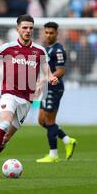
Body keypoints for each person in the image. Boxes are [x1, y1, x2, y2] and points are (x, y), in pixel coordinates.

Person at [0, 14, 58, 178]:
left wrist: (49, 79)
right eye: (24, 28)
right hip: (9, 93)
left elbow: (48, 72)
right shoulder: (8, 47)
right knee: (3, 124)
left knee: (6, 138)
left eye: (30, 28)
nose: (28, 31)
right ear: (18, 29)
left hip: (27, 99)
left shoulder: (39, 51)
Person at [36, 22, 77, 163]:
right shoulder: (45, 48)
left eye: (51, 33)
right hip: (47, 87)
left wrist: (46, 79)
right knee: (41, 121)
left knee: (49, 120)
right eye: (46, 32)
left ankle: (53, 155)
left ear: (56, 33)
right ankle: (67, 140)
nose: (48, 35)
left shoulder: (58, 50)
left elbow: (61, 70)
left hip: (55, 87)